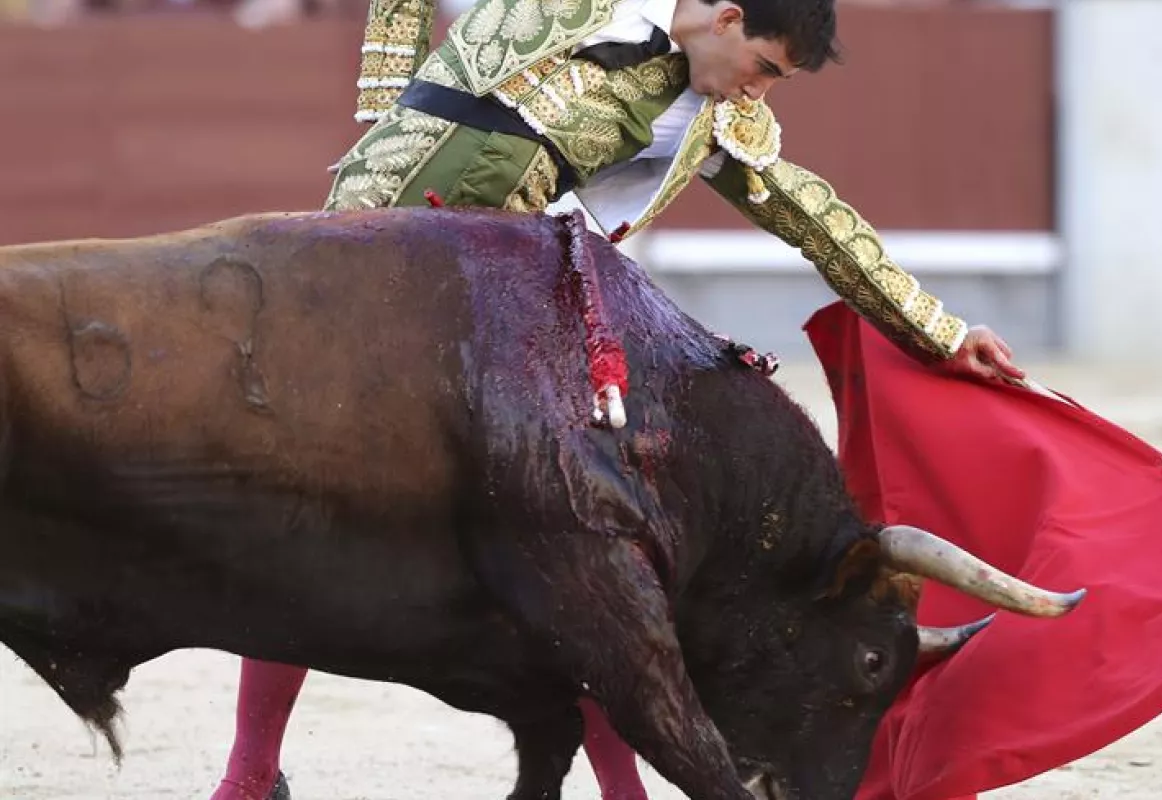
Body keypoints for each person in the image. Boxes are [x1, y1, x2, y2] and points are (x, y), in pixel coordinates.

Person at [208, 0, 1022, 798]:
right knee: (309, 506)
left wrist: (940, 330)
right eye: (765, 68)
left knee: (585, 537)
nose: (757, 94)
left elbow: (817, 221)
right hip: (366, 253)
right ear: (728, 17)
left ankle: (621, 791)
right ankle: (249, 775)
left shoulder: (717, 120)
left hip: (499, 307)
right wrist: (392, 106)